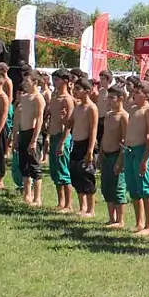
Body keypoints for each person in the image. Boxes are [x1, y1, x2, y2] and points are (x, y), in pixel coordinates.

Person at [125, 81, 149, 237]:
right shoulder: (132, 109)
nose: (134, 94)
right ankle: (139, 222)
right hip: (129, 151)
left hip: (142, 152)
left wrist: (145, 159)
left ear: (146, 95)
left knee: (145, 189)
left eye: (138, 92)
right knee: (133, 189)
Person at [97, 86, 129, 228]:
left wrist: (120, 160)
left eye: (112, 98)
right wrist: (100, 154)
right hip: (106, 155)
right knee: (106, 187)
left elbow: (125, 140)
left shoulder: (124, 116)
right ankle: (111, 217)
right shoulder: (109, 115)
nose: (109, 100)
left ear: (121, 99)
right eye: (108, 97)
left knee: (118, 188)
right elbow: (104, 136)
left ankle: (120, 220)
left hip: (117, 155)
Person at [67, 77, 99, 218]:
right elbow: (70, 123)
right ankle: (82, 207)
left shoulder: (91, 108)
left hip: (87, 144)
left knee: (87, 176)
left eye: (78, 89)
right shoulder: (78, 106)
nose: (75, 91)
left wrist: (90, 151)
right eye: (74, 89)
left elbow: (93, 130)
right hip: (76, 143)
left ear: (87, 91)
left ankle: (91, 209)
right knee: (76, 175)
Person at [47, 69, 75, 213]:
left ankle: (68, 204)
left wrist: (63, 141)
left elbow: (69, 124)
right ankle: (60, 202)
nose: (54, 82)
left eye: (57, 79)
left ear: (65, 81)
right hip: (52, 135)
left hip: (62, 136)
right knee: (55, 170)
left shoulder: (67, 99)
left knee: (63, 170)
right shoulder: (54, 96)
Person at [16, 69, 46, 207]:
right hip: (23, 133)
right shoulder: (25, 97)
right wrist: (16, 135)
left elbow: (39, 119)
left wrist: (34, 140)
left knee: (34, 166)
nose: (24, 83)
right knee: (24, 166)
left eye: (27, 80)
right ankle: (27, 195)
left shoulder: (38, 98)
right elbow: (20, 117)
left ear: (34, 82)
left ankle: (37, 198)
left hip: (33, 133)